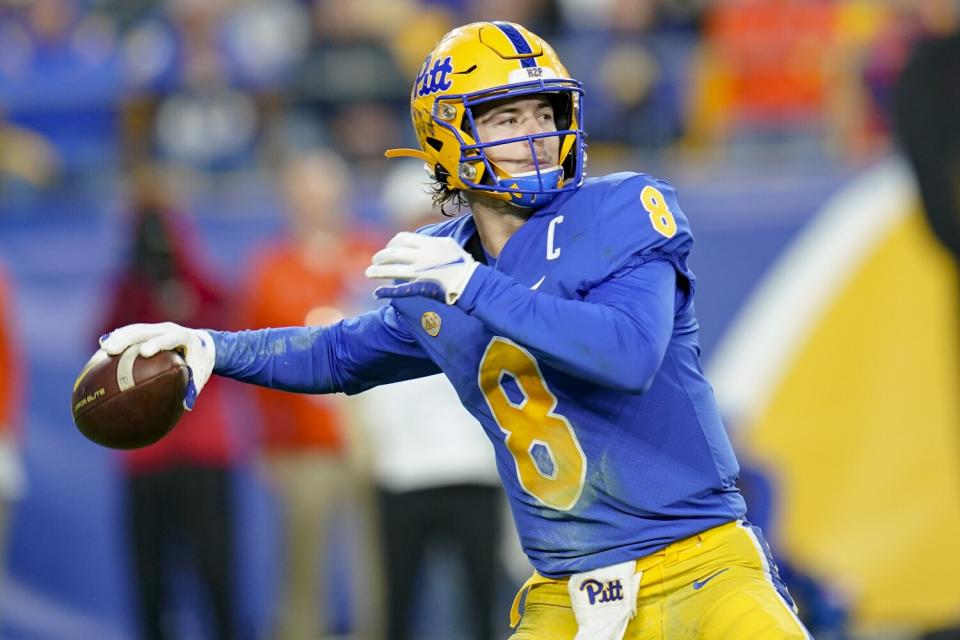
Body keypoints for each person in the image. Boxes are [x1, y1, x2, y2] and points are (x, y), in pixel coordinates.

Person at [99, 21, 812, 639]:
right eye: (507, 120)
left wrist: (476, 286)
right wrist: (212, 349)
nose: (537, 135)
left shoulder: (621, 211)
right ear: (449, 136)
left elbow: (625, 353)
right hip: (568, 594)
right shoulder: (440, 266)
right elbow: (342, 352)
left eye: (545, 113)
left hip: (702, 567)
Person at [240, 150, 382, 639]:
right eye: (305, 192)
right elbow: (257, 366)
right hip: (304, 445)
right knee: (302, 570)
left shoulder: (376, 256)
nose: (316, 203)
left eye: (325, 192)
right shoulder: (270, 268)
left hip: (377, 443)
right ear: (288, 199)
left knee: (376, 569)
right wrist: (269, 445)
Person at [101, 172, 240, 640]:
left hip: (203, 452)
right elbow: (100, 354)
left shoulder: (200, 285)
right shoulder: (125, 291)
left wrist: (181, 288)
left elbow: (227, 338)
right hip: (147, 458)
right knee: (151, 583)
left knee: (217, 575)